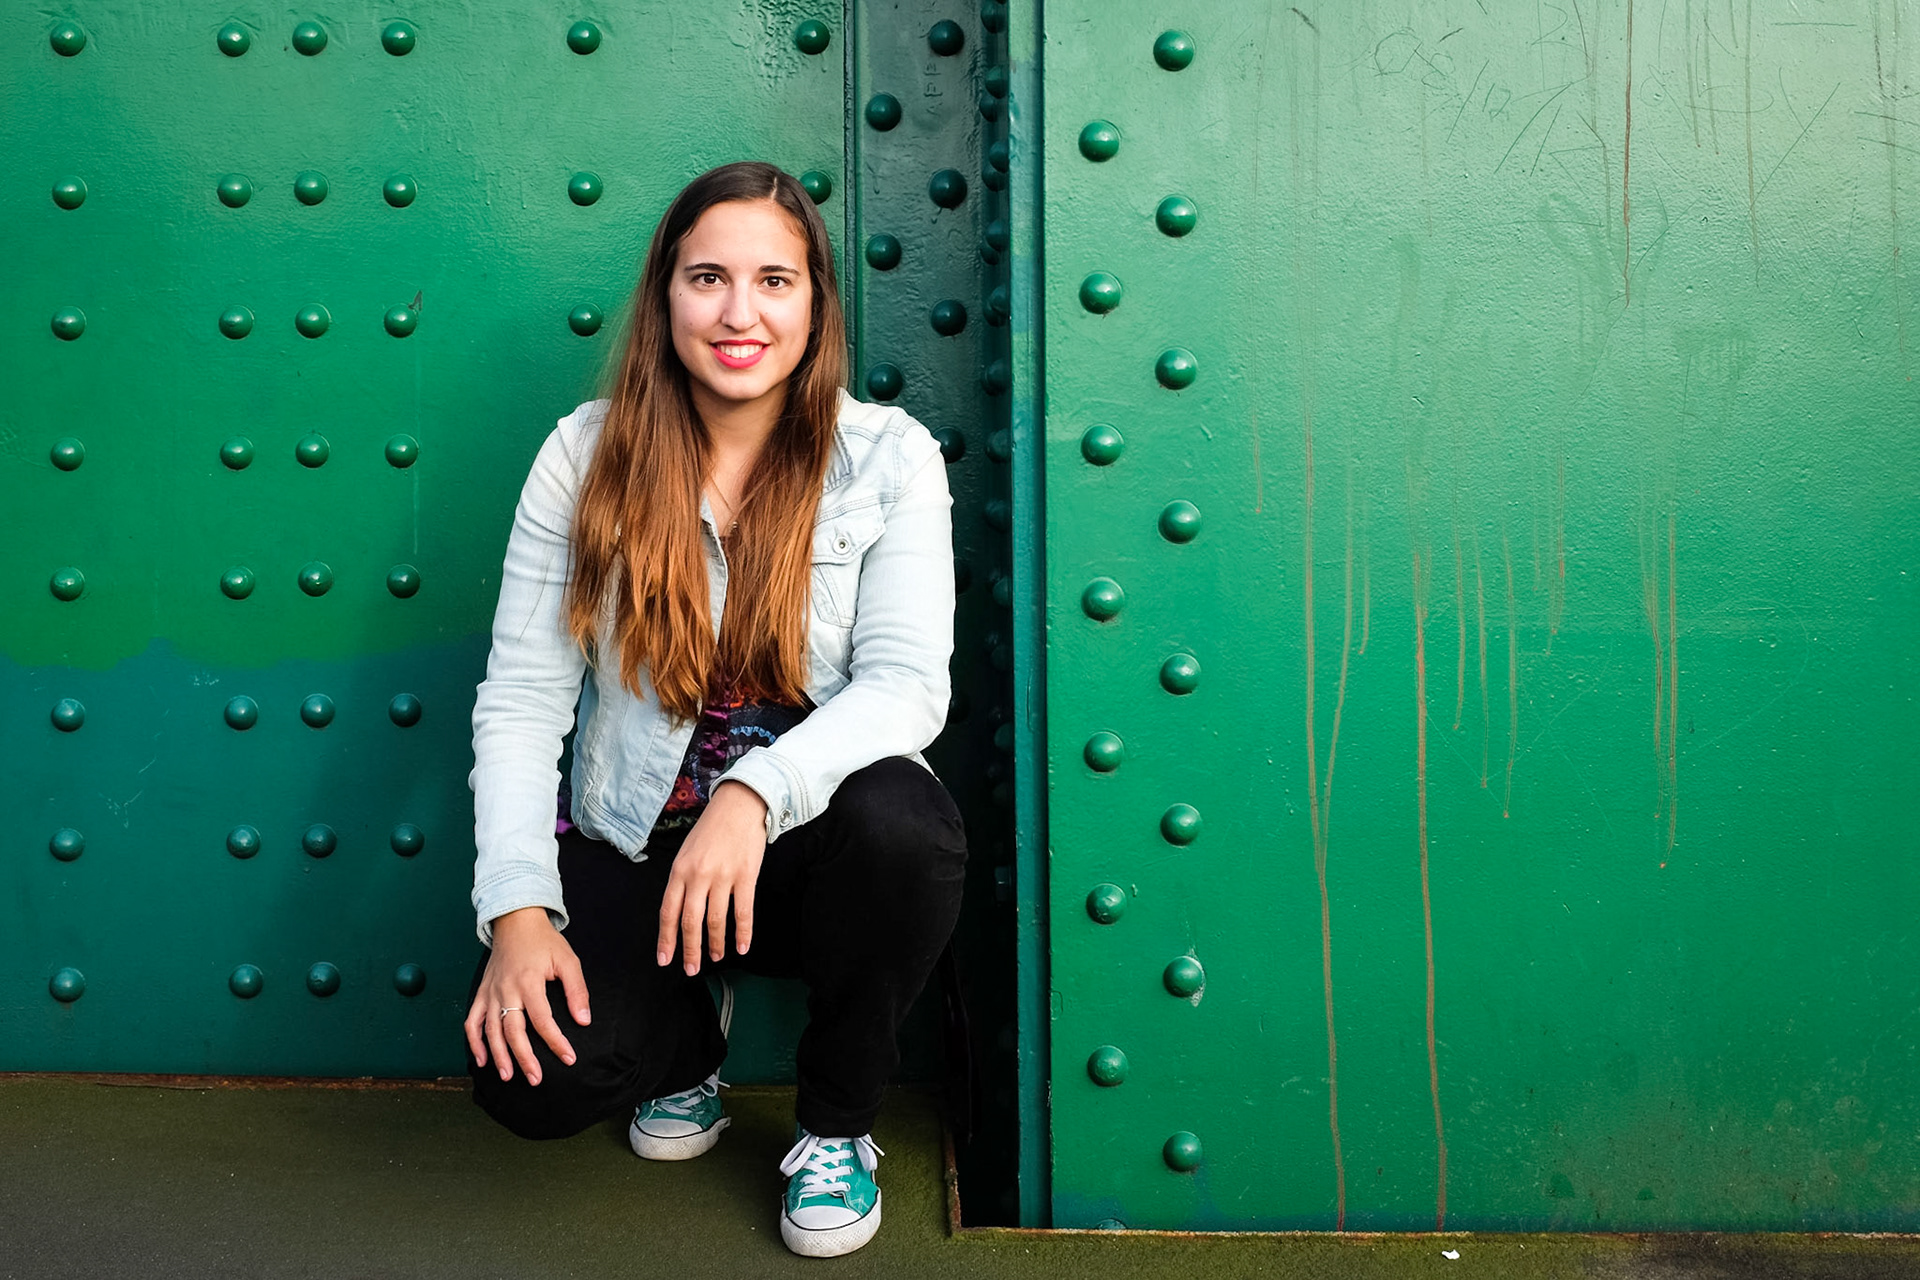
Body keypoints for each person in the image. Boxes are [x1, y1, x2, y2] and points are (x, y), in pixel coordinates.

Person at [462, 160, 967, 1259]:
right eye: (708, 278)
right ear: (665, 297)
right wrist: (514, 909)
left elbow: (905, 685)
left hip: (800, 846)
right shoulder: (583, 453)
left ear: (816, 305)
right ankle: (687, 1040)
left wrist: (753, 789)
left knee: (903, 825)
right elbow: (521, 700)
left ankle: (836, 1125)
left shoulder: (887, 459)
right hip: (639, 838)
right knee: (534, 1081)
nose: (741, 312)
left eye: (775, 281)